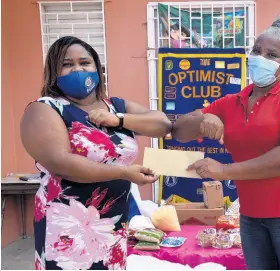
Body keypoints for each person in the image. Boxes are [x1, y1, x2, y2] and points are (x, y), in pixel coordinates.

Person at [172, 17, 280, 270]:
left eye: (271, 54)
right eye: (256, 51)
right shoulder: (231, 102)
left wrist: (225, 171)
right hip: (251, 215)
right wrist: (204, 115)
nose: (260, 57)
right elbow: (179, 132)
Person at [20, 36, 172, 270]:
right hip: (67, 228)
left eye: (84, 62)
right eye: (67, 64)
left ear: (97, 69)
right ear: (54, 71)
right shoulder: (45, 109)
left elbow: (162, 124)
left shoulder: (116, 106)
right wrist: (123, 172)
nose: (78, 69)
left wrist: (118, 119)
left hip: (112, 223)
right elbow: (61, 163)